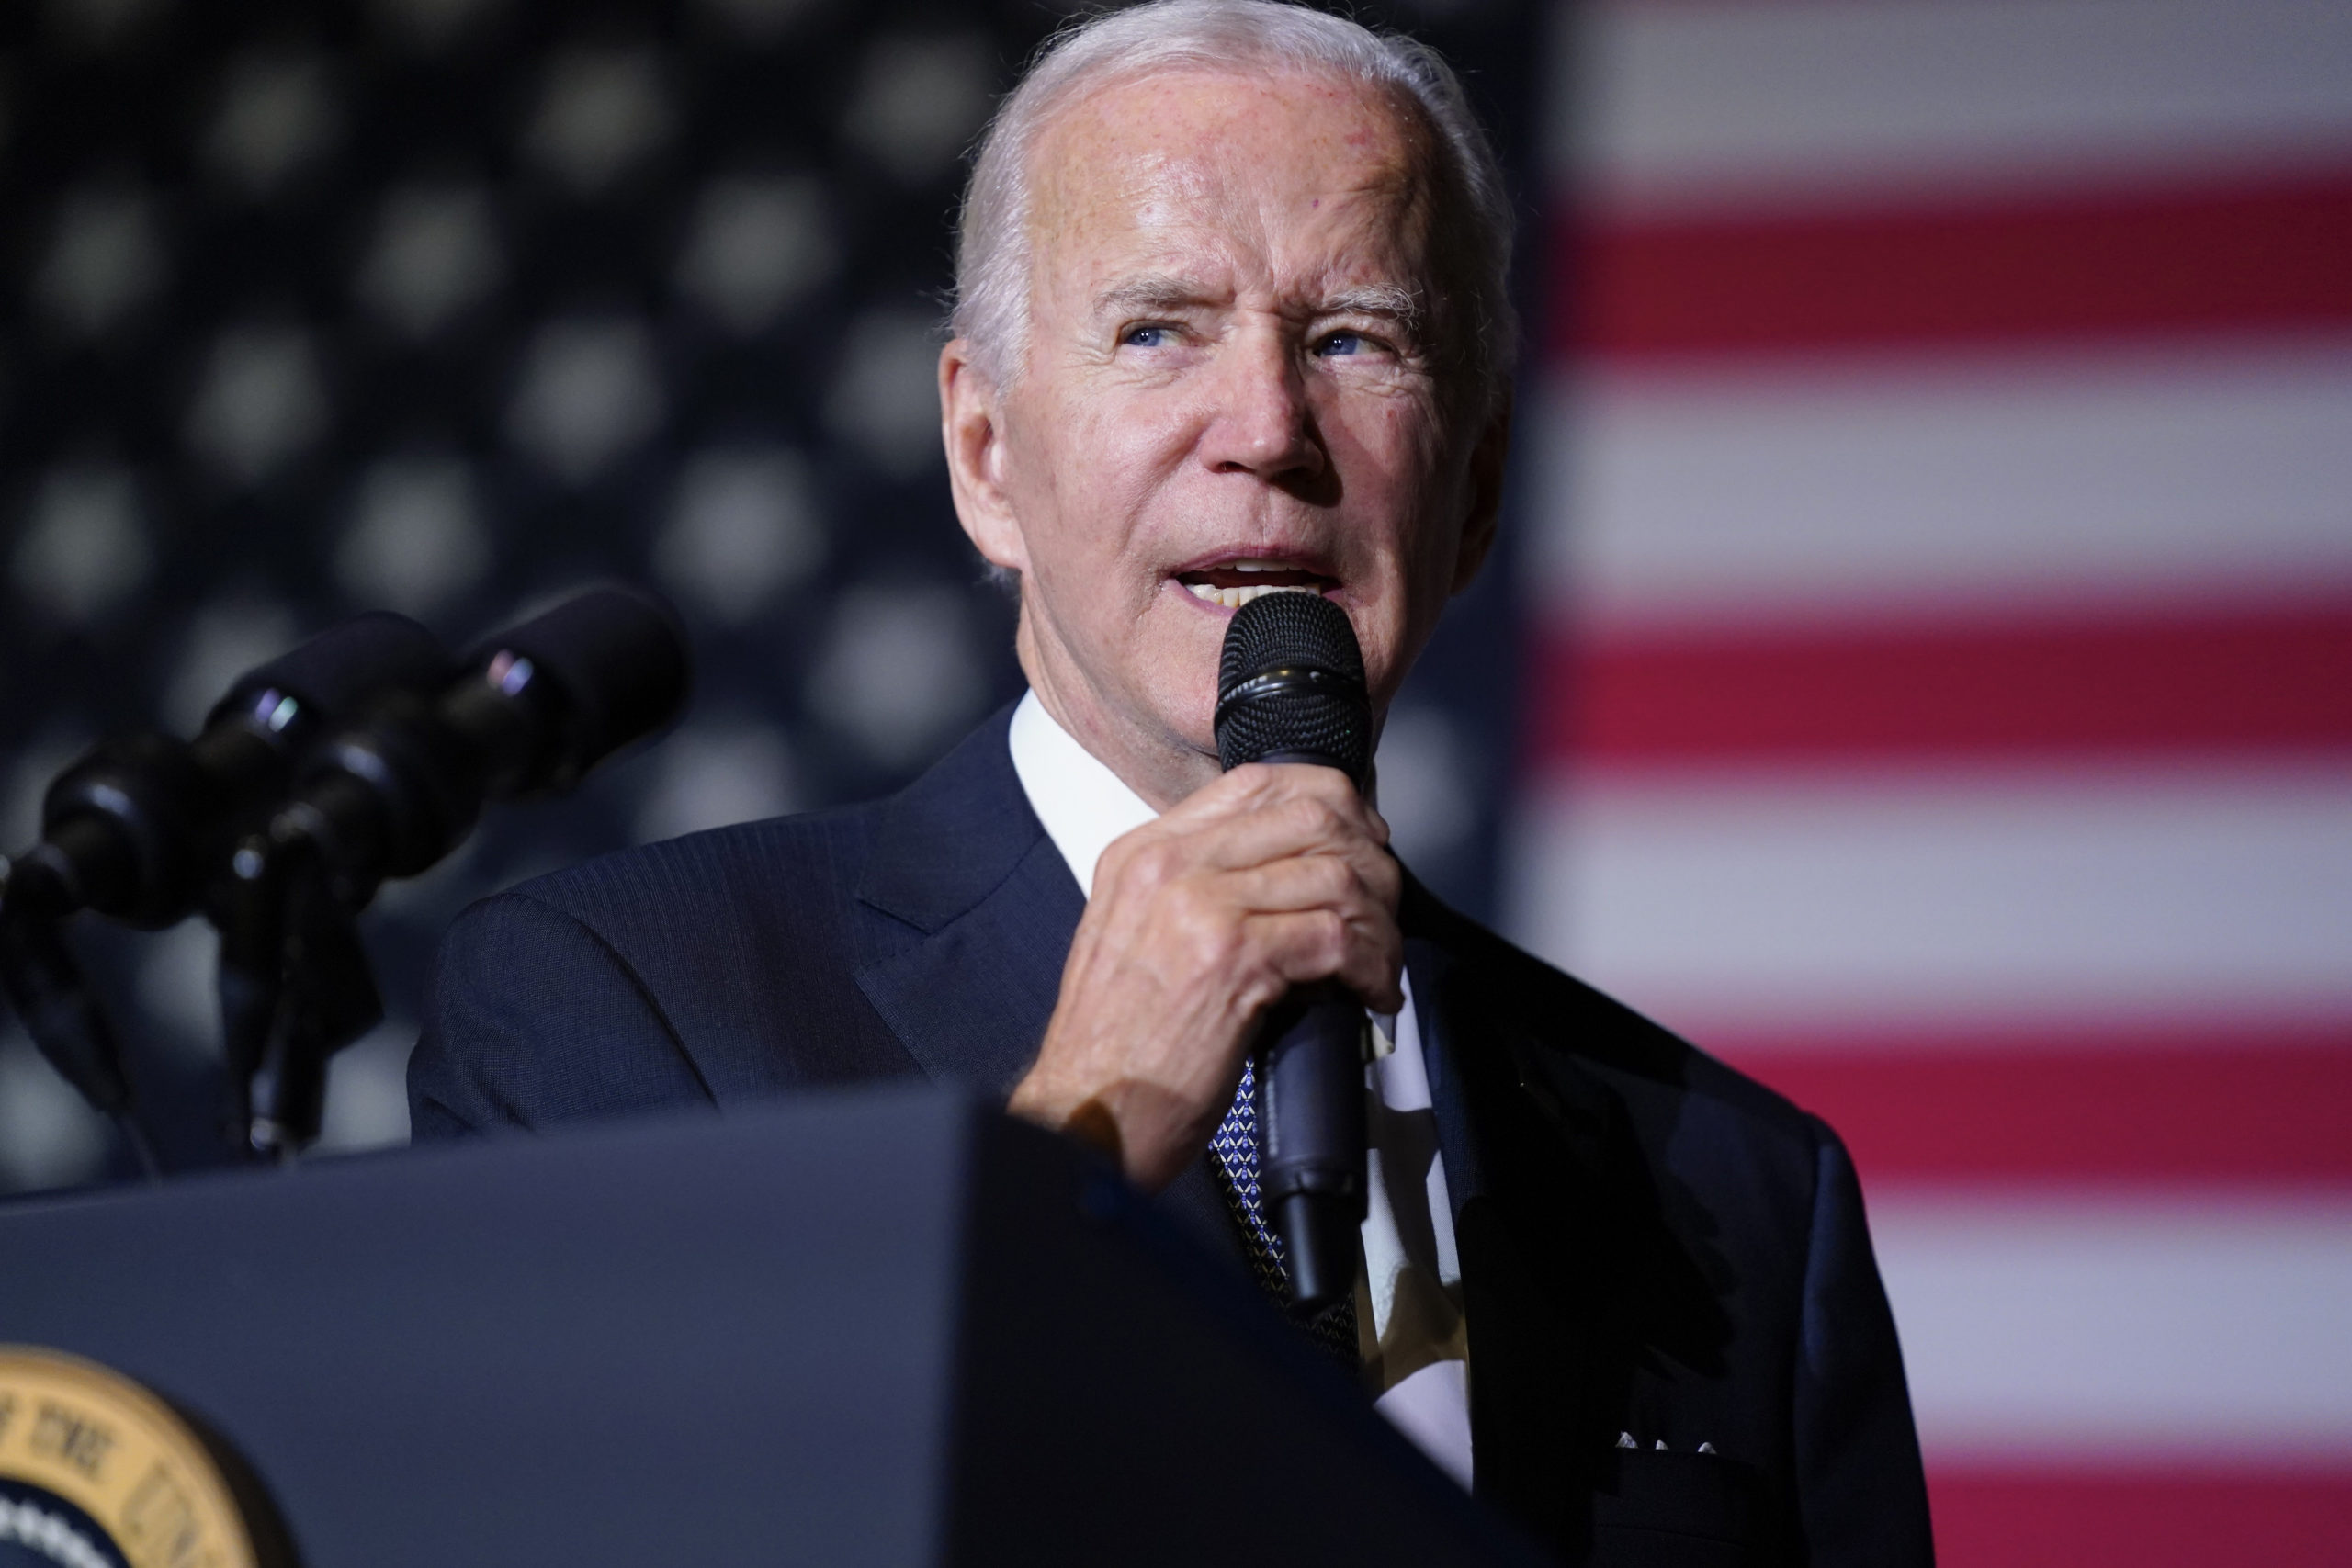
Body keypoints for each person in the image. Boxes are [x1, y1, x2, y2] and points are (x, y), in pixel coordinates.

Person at [410, 3, 1932, 1561]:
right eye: (1157, 331)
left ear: (1474, 497)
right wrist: (1080, 1133)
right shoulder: (622, 1017)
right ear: (987, 454)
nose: (1267, 431)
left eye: (1354, 338)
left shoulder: (1745, 1188)